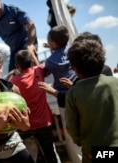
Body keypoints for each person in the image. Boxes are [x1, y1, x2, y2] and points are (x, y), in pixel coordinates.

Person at [65, 35, 118, 163]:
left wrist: (81, 143)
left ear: (74, 68)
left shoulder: (73, 93)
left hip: (92, 153)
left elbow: (72, 128)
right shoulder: (114, 82)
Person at [9, 50, 60, 163]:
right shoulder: (38, 71)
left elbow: (7, 90)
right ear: (31, 61)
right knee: (50, 154)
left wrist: (11, 74)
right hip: (44, 123)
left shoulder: (14, 81)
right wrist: (33, 55)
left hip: (26, 125)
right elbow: (40, 66)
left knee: (31, 157)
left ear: (17, 66)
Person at [44, 25, 80, 163]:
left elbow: (42, 70)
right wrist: (52, 46)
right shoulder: (74, 51)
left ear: (53, 43)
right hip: (78, 94)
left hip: (63, 99)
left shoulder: (51, 61)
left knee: (71, 136)